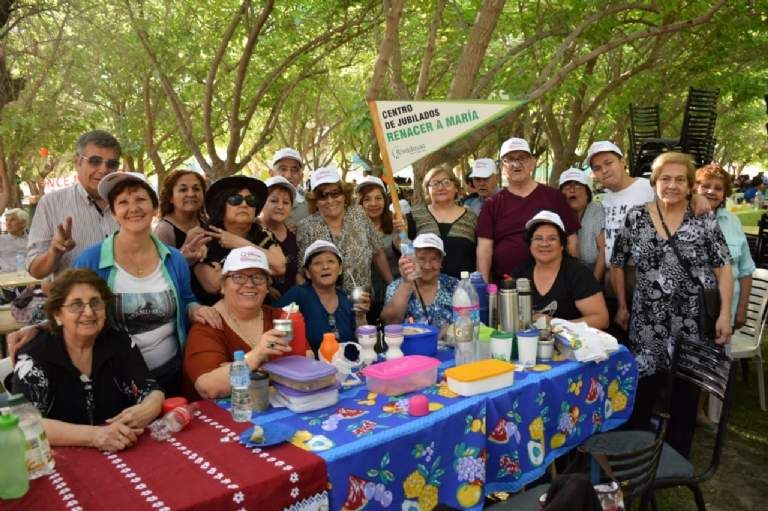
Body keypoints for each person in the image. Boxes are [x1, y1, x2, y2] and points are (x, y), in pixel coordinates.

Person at [611, 152, 733, 458]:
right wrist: (622, 305)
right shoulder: (636, 217)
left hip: (692, 322)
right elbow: (617, 262)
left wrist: (724, 315)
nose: (672, 185)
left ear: (691, 185)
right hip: (647, 322)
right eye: (665, 178)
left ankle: (676, 457)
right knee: (642, 390)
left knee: (685, 395)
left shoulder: (703, 218)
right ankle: (635, 457)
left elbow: (723, 269)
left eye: (680, 179)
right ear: (654, 181)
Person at [72, 172, 221, 395]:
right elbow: (71, 310)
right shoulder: (90, 260)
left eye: (140, 199)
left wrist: (197, 309)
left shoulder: (174, 259)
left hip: (171, 372)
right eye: (123, 202)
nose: (133, 208)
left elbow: (187, 299)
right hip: (116, 379)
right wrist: (37, 329)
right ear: (113, 213)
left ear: (154, 207)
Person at [11, 269, 164, 452]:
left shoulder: (118, 342)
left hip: (121, 449)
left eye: (95, 303)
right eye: (76, 305)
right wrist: (95, 436)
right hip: (61, 457)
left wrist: (151, 405)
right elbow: (24, 422)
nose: (89, 312)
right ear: (57, 315)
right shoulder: (35, 356)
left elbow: (149, 387)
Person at [183, 247, 305, 400]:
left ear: (267, 287)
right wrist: (258, 355)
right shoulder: (207, 326)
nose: (249, 284)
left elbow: (306, 357)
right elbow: (209, 388)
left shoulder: (281, 316)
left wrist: (236, 368)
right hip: (228, 413)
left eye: (258, 277)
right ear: (223, 286)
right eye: (238, 277)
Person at [477, 137, 579, 283]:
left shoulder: (554, 197)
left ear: (532, 163)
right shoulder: (492, 204)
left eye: (522, 158)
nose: (516, 164)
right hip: (507, 285)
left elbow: (572, 241)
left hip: (553, 284)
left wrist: (572, 280)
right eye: (509, 159)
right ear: (502, 167)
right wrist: (483, 288)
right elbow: (484, 249)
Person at [26, 130, 121, 279]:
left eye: (112, 164)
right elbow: (35, 271)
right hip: (75, 294)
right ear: (78, 162)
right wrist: (54, 252)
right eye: (95, 161)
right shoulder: (51, 204)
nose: (103, 169)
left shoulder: (129, 204)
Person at [297, 166, 393, 296]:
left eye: (335, 193)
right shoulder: (306, 226)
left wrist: (392, 286)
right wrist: (314, 302)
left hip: (365, 299)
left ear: (344, 194)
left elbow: (378, 253)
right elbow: (301, 272)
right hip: (328, 303)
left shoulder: (358, 214)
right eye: (322, 196)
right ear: (315, 200)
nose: (330, 200)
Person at [194, 175, 286, 305]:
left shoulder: (262, 233)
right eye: (235, 200)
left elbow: (280, 267)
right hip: (216, 312)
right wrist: (262, 275)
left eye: (251, 200)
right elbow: (214, 285)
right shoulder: (205, 236)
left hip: (258, 309)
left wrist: (239, 243)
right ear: (221, 205)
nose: (244, 204)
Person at [512, 211, 608, 328]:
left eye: (552, 239)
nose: (544, 244)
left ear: (562, 245)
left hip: (572, 339)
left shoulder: (577, 273)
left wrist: (555, 323)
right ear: (530, 244)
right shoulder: (521, 272)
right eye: (538, 238)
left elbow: (601, 319)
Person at [274, 240, 369, 357]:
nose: (325, 267)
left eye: (331, 261)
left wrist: (360, 316)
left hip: (348, 366)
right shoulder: (298, 295)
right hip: (309, 367)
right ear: (308, 273)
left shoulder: (347, 300)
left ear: (340, 269)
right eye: (317, 263)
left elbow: (363, 344)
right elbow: (272, 323)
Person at [696, 163, 755, 328]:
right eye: (705, 186)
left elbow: (746, 270)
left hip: (727, 312)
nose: (711, 191)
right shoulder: (681, 219)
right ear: (694, 188)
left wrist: (742, 309)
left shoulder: (733, 221)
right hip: (691, 312)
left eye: (718, 188)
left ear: (724, 195)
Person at [407, 164, 477, 278]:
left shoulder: (471, 218)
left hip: (464, 285)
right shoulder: (415, 215)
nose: (440, 188)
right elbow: (403, 249)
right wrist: (399, 234)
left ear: (456, 187)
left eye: (446, 182)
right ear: (427, 190)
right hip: (425, 285)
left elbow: (482, 253)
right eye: (435, 183)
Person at [381, 233, 458, 332]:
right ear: (411, 259)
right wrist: (407, 284)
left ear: (441, 262)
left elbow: (466, 322)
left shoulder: (454, 285)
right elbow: (389, 323)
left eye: (434, 259)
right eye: (421, 259)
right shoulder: (395, 286)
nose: (427, 265)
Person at [356, 175, 401, 323]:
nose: (373, 203)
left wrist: (403, 234)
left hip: (395, 294)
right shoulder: (353, 229)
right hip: (366, 299)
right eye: (367, 199)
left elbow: (408, 254)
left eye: (378, 198)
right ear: (360, 203)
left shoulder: (397, 224)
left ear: (385, 200)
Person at [558, 168, 606, 282]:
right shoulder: (557, 214)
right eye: (566, 187)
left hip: (593, 272)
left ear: (587, 193)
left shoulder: (596, 210)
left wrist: (593, 285)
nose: (572, 190)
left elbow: (603, 251)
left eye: (578, 185)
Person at [154, 169, 210, 264]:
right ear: (171, 197)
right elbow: (162, 268)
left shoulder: (207, 223)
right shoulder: (164, 229)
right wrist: (186, 246)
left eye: (196, 189)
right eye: (183, 190)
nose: (191, 194)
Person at [259, 176, 299, 297]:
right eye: (274, 201)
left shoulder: (294, 235)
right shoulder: (252, 232)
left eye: (286, 202)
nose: (280, 206)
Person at [268, 147, 309, 226]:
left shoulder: (310, 204)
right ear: (271, 173)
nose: (288, 175)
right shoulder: (257, 202)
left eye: (294, 170)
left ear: (301, 176)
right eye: (283, 169)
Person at [0, 208, 29, 272]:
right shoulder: (1, 240)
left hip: (29, 275)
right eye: (6, 220)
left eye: (12, 220)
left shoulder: (32, 240)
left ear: (23, 223)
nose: (8, 223)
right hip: (6, 276)